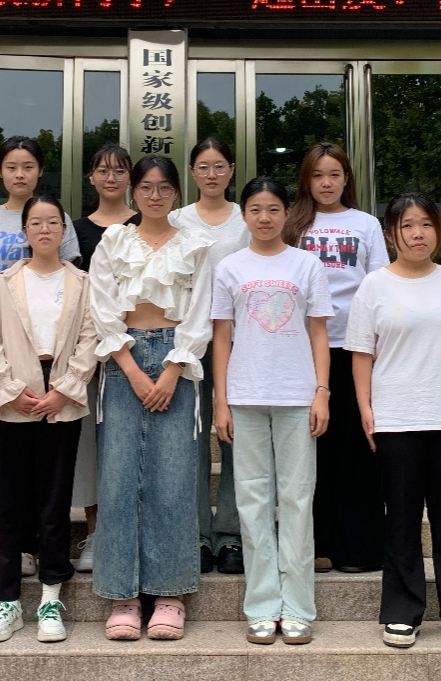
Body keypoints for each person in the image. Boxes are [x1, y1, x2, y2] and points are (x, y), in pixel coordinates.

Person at [346, 192, 441, 649]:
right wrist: (366, 408)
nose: (417, 234)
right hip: (396, 419)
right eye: (407, 225)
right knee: (402, 517)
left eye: (426, 224)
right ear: (392, 233)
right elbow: (361, 353)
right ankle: (402, 611)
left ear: (437, 231)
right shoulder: (375, 286)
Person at [88, 154, 213, 642]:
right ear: (133, 192)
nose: (154, 195)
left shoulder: (196, 245)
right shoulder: (113, 241)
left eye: (164, 187)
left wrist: (173, 369)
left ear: (177, 193)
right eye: (146, 187)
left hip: (178, 356)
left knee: (174, 476)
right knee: (119, 476)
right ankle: (121, 595)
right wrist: (133, 371)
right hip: (124, 357)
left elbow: (201, 312)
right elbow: (102, 308)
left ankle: (170, 594)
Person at [211, 177, 332, 646]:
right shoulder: (230, 267)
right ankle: (262, 605)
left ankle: (298, 606)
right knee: (252, 501)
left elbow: (318, 332)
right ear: (243, 215)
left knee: (298, 499)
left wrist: (321, 392)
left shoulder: (307, 264)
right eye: (256, 209)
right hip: (245, 396)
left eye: (273, 209)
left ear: (286, 213)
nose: (264, 218)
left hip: (297, 396)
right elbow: (222, 337)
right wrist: (221, 400)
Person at [0, 195, 100, 644]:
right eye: (36, 222)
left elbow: (91, 339)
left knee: (54, 502)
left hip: (60, 392)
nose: (44, 229)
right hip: (12, 396)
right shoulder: (4, 283)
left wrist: (64, 389)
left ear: (64, 231)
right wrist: (12, 391)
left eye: (53, 222)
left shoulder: (82, 283)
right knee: (8, 503)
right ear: (24, 231)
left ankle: (51, 596)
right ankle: (5, 601)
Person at [0, 136, 81, 579]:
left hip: (45, 356)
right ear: (0, 172)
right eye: (11, 166)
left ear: (40, 171)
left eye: (28, 166)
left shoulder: (57, 218)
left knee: (37, 461)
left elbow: (70, 286)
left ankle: (31, 545)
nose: (20, 174)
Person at [284, 142, 389, 574]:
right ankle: (317, 544)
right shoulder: (292, 224)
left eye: (334, 174)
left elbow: (380, 285)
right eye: (317, 175)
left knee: (356, 448)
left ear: (346, 178)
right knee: (312, 448)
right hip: (303, 349)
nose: (326, 183)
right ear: (306, 180)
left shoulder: (365, 224)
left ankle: (359, 548)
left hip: (354, 347)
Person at [172, 137, 249, 576]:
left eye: (220, 166)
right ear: (192, 172)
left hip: (241, 342)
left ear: (231, 169)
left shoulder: (245, 218)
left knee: (235, 435)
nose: (212, 174)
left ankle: (231, 534)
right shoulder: (178, 219)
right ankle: (197, 531)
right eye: (203, 166)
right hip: (189, 342)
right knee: (194, 437)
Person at [69, 144, 137, 573]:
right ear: (91, 177)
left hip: (138, 348)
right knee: (92, 447)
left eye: (119, 170)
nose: (110, 178)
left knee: (131, 444)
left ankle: (133, 529)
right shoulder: (75, 230)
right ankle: (95, 534)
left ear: (130, 177)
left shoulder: (144, 224)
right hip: (88, 351)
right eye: (102, 170)